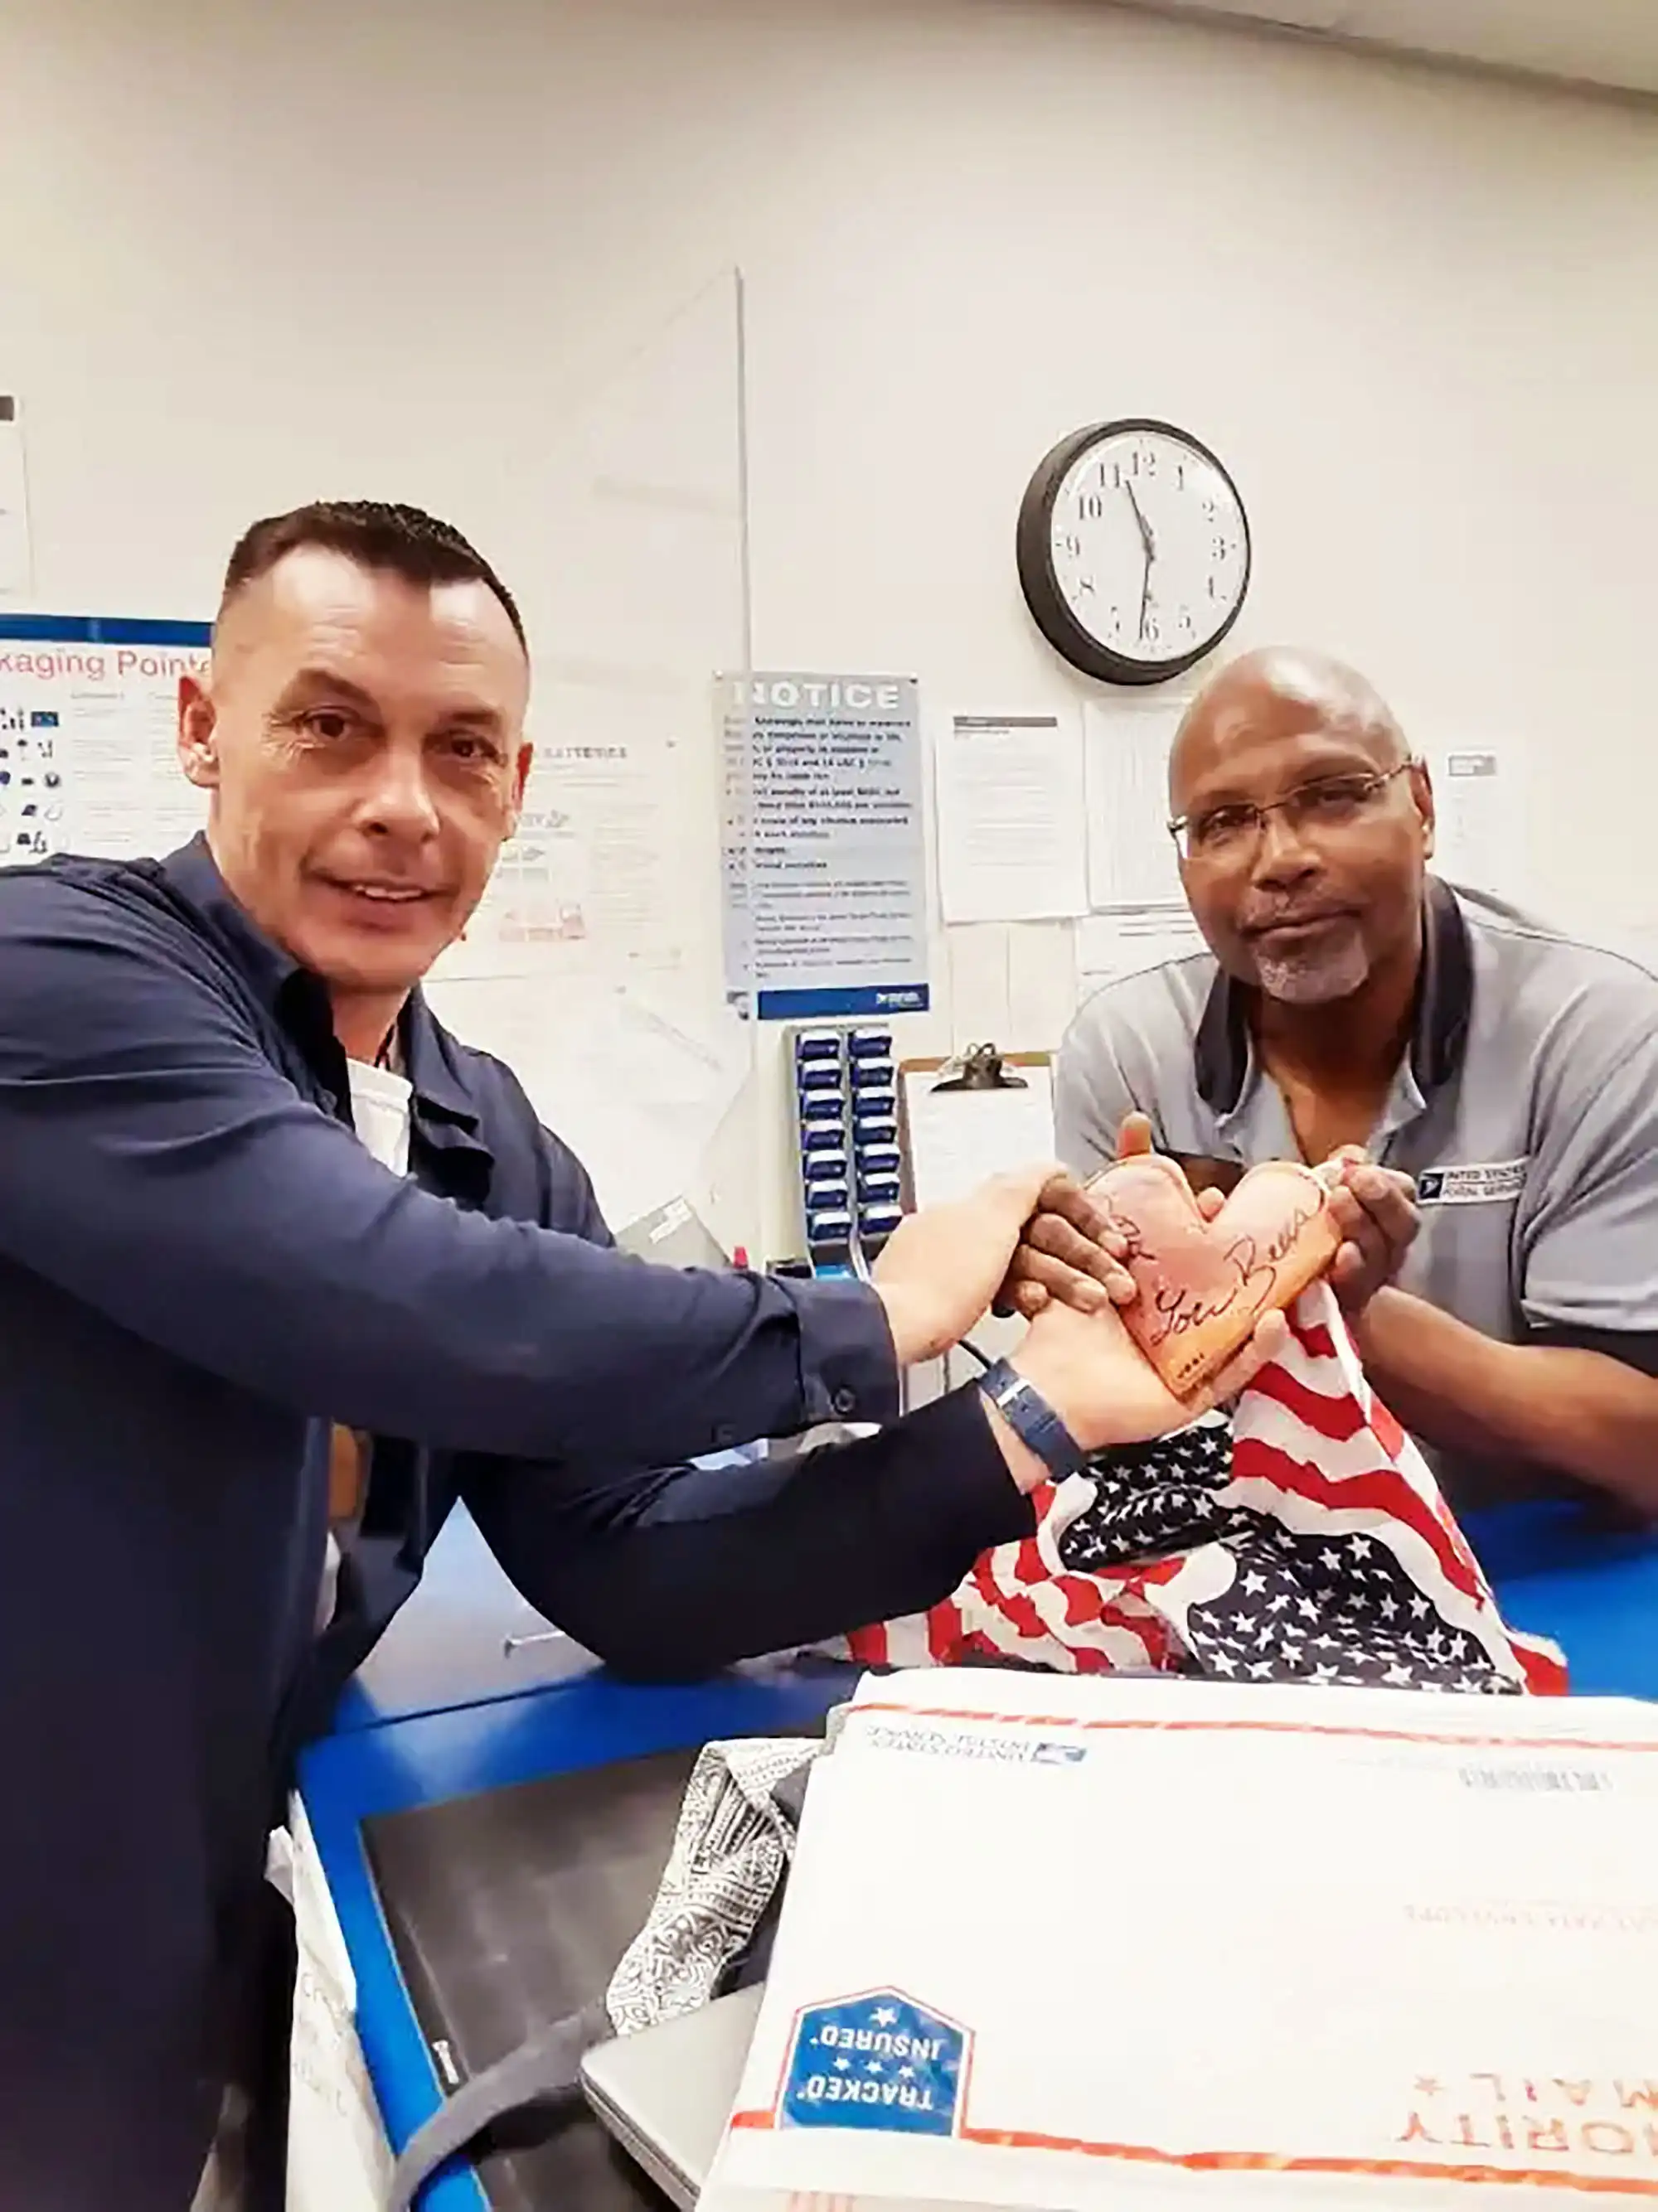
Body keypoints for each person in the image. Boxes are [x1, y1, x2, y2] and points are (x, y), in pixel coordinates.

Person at [0, 501, 1282, 2212]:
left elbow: (631, 1560)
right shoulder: (59, 973)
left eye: (462, 748)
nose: (402, 803)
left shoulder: (479, 1130)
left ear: (515, 787)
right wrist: (875, 1312)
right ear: (199, 730)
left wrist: (1029, 1417)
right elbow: (391, 1294)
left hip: (210, 1870)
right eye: (327, 726)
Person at [1050, 643, 1658, 1519]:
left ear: (1420, 805)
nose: (1279, 859)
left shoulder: (1596, 1033)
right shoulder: (1125, 1054)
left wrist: (1337, 1313)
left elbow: (1639, 1439)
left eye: (1331, 796)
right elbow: (1104, 1404)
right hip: (1246, 1570)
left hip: (1548, 1573)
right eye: (1222, 821)